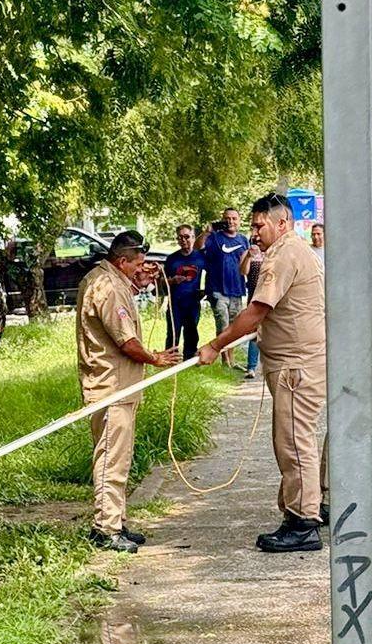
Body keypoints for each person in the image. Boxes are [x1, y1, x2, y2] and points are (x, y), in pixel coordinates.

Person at [198, 193, 326, 553]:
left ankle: (303, 522)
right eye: (252, 226)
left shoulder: (284, 254)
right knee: (292, 441)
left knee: (295, 443)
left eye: (259, 225)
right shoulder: (292, 251)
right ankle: (298, 514)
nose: (253, 233)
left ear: (282, 223)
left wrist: (215, 344)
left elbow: (256, 311)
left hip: (295, 366)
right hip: (294, 363)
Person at [77, 231, 180, 553]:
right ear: (122, 261)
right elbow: (126, 341)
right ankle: (106, 529)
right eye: (137, 264)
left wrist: (140, 281)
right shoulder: (108, 287)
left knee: (118, 458)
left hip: (119, 386)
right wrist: (155, 358)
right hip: (111, 387)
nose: (142, 268)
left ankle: (116, 521)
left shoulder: (109, 279)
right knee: (111, 459)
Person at [197, 208, 250, 366]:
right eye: (227, 218)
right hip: (217, 289)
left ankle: (231, 359)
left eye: (234, 218)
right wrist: (206, 232)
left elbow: (245, 266)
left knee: (235, 328)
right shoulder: (214, 238)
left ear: (239, 221)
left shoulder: (243, 240)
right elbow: (197, 247)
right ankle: (224, 360)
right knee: (223, 325)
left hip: (237, 289)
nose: (230, 222)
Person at [163, 224, 205, 359]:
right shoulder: (172, 259)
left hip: (193, 302)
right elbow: (163, 282)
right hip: (175, 302)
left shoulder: (201, 258)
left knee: (191, 333)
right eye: (180, 237)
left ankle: (189, 360)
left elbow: (209, 277)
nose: (184, 240)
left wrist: (205, 292)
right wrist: (173, 281)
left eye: (187, 237)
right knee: (173, 333)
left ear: (193, 237)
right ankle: (170, 360)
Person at [238, 239, 264, 379]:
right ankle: (251, 367)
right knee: (254, 332)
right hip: (254, 297)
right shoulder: (247, 253)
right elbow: (243, 271)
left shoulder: (272, 253)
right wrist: (249, 255)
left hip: (271, 297)